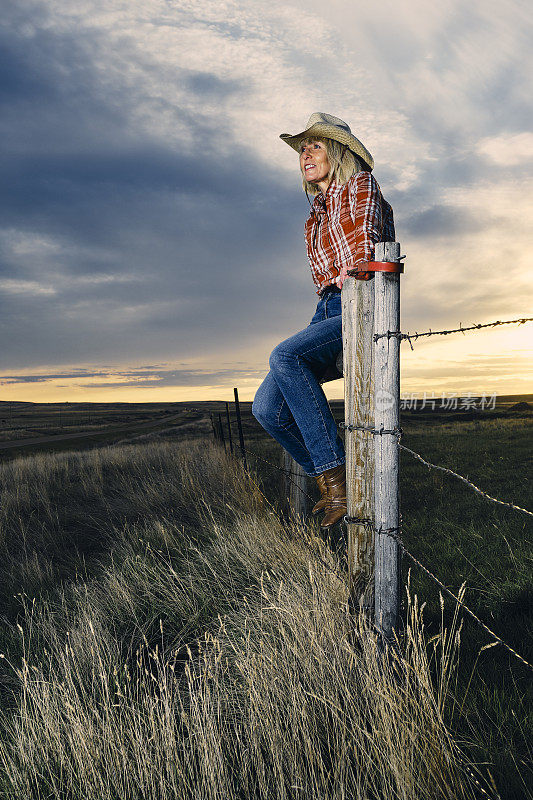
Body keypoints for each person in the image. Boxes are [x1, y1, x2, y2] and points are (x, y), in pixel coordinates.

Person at [252, 113, 395, 528]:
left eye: (315, 145)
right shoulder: (314, 216)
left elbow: (365, 252)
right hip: (327, 309)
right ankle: (334, 475)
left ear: (338, 151)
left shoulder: (360, 186)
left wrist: (356, 286)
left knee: (285, 354)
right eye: (301, 149)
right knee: (267, 410)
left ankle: (338, 483)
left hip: (362, 302)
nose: (305, 154)